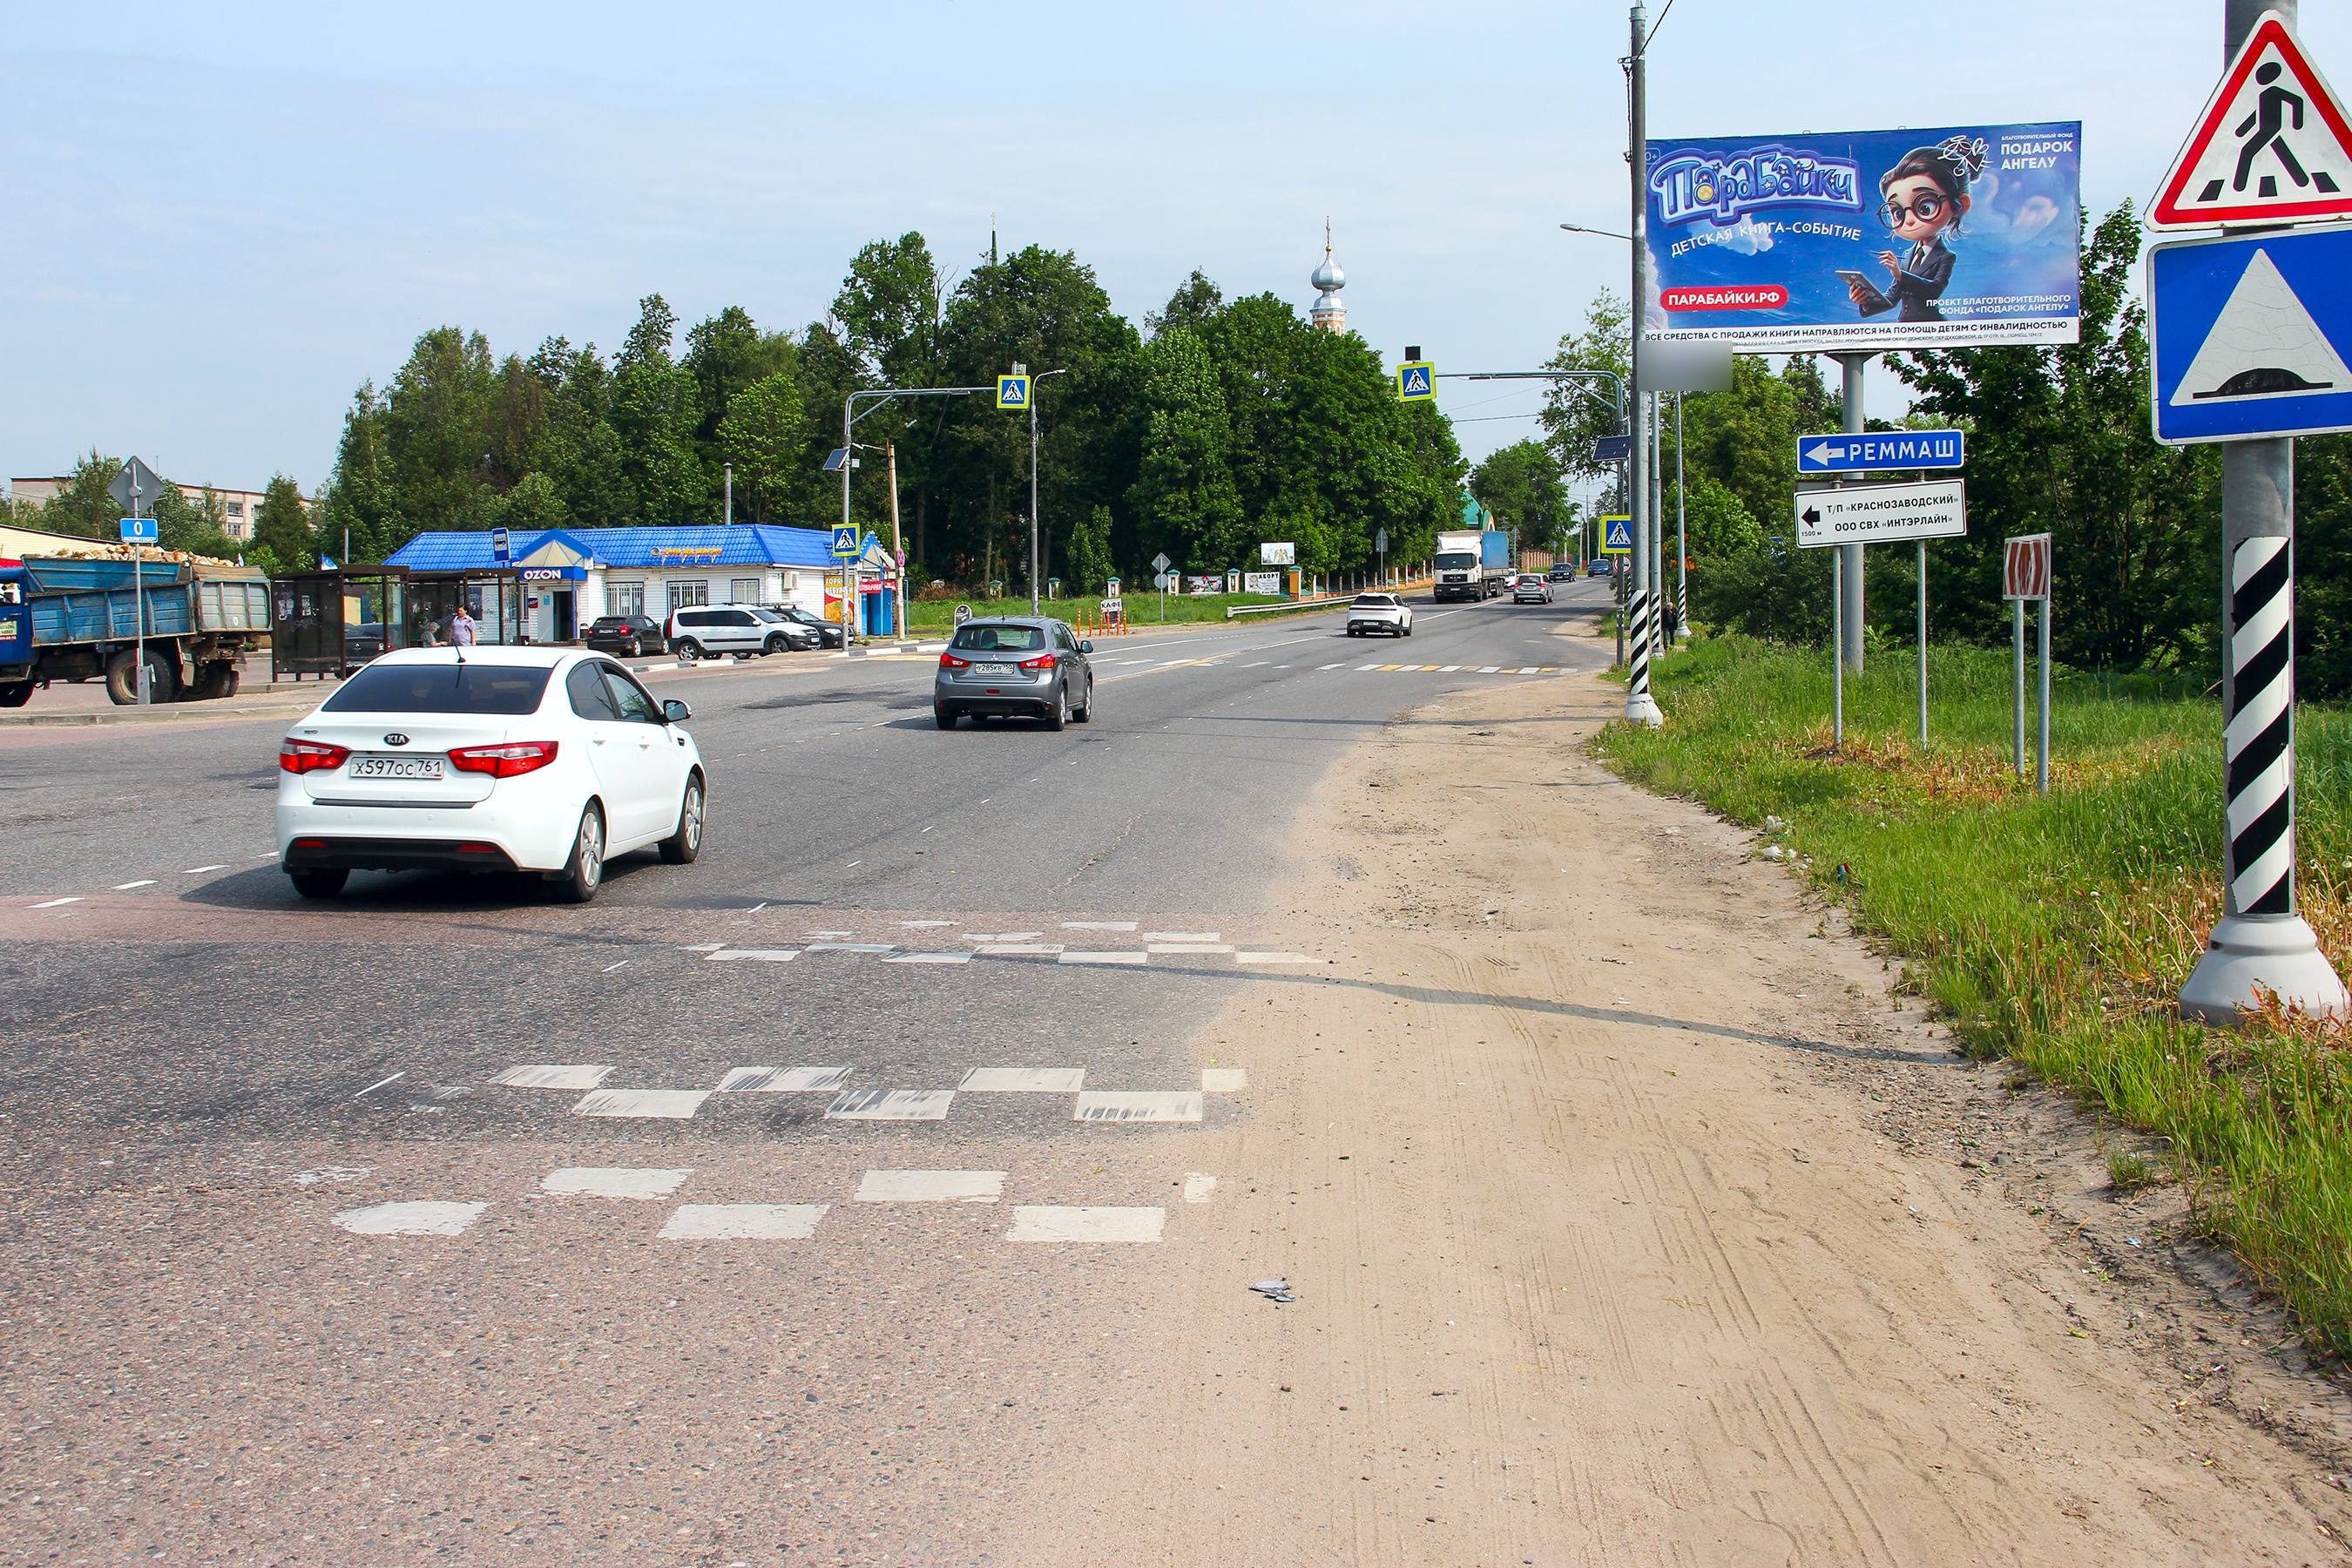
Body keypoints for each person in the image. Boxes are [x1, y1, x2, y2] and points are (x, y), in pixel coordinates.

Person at [1848, 135, 1987, 324]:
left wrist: (1899, 274)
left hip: (1935, 330)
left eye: (1925, 207)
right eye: (1897, 212)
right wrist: (1866, 300)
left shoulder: (1946, 257)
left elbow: (1933, 291)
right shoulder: (1907, 255)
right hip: (1905, 332)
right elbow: (1892, 298)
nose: (1910, 221)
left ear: (1959, 205)